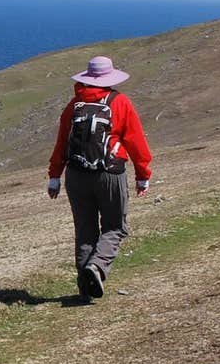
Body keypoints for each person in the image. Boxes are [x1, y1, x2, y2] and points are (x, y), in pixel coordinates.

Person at [46, 56, 153, 301]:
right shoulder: (120, 102)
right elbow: (135, 141)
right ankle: (97, 267)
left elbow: (62, 142)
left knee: (85, 229)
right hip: (109, 174)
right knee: (115, 226)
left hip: (75, 174)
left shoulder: (74, 105)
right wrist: (142, 175)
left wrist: (54, 176)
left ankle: (85, 288)